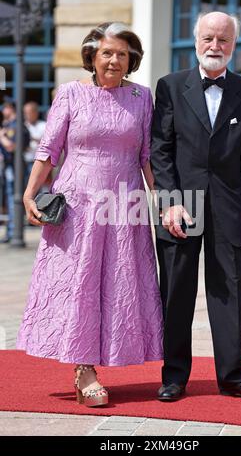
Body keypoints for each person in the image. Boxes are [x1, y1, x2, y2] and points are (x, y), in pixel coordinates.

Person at [16, 22, 163, 407]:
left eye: (122, 54)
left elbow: (147, 156)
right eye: (107, 53)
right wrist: (30, 193)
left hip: (124, 206)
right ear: (92, 57)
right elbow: (49, 149)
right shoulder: (70, 94)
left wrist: (163, 200)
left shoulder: (141, 97)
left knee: (116, 286)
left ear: (131, 59)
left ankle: (102, 360)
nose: (114, 60)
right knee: (79, 285)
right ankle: (84, 371)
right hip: (78, 206)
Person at [151, 12, 241, 401]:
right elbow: (160, 151)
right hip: (180, 206)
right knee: (176, 293)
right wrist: (169, 203)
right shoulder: (169, 86)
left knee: (230, 293)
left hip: (230, 207)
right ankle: (174, 377)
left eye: (223, 40)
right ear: (195, 40)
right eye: (208, 38)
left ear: (233, 45)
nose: (215, 46)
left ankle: (233, 375)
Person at [0, 100, 30, 243]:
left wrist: (1, 137)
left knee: (13, 198)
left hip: (14, 167)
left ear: (10, 109)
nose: (3, 110)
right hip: (9, 166)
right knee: (10, 198)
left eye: (5, 107)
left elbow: (11, 146)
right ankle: (11, 231)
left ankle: (13, 232)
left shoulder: (15, 126)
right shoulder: (8, 125)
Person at [23, 101, 46, 184]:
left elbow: (48, 143)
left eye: (29, 113)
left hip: (39, 161)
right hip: (25, 160)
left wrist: (32, 139)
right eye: (25, 113)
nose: (26, 115)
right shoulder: (22, 126)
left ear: (35, 113)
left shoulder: (44, 125)